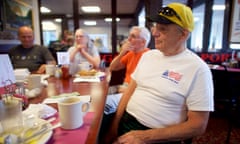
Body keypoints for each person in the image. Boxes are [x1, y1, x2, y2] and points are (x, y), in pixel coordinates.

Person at [106, 3, 214, 144]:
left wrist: (144, 137)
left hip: (158, 136)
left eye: (163, 29)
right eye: (156, 27)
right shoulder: (148, 56)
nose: (155, 33)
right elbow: (129, 93)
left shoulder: (198, 69)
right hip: (126, 121)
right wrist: (113, 127)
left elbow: (198, 125)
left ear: (183, 34)